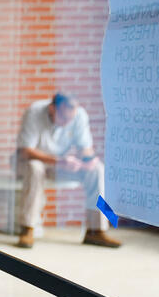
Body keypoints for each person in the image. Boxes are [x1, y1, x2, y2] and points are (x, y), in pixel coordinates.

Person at [15, 92, 120, 249]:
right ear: (52, 108)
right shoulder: (34, 112)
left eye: (70, 118)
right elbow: (25, 151)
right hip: (32, 161)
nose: (67, 122)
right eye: (63, 118)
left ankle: (96, 230)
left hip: (61, 164)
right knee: (35, 167)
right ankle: (27, 228)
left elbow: (85, 149)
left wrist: (88, 160)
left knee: (97, 170)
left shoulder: (79, 115)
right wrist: (59, 161)